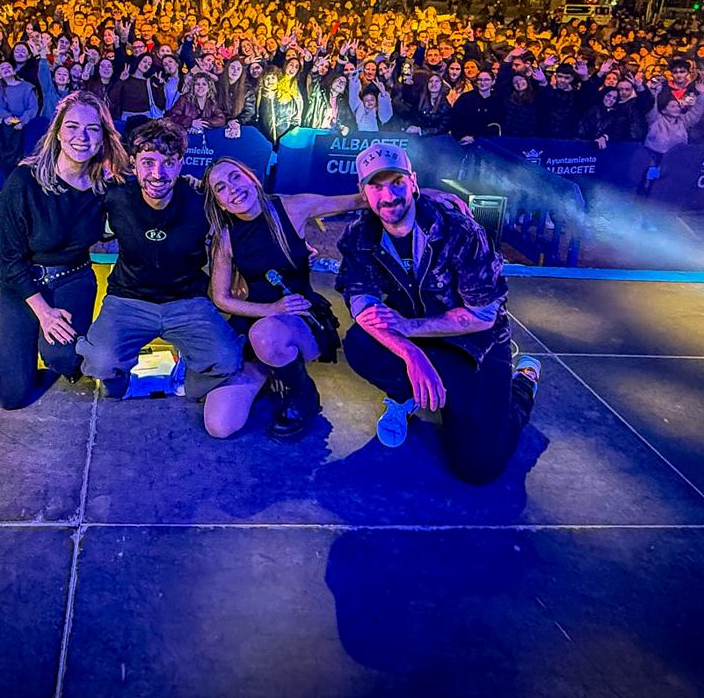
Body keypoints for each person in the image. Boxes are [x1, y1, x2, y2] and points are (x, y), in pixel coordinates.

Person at [335, 142, 541, 483]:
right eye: (376, 186)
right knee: (360, 344)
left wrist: (408, 328)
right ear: (363, 192)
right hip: (420, 338)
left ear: (413, 182)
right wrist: (412, 353)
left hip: (477, 344)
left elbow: (483, 315)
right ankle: (408, 395)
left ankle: (522, 385)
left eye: (397, 182)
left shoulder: (460, 230)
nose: (389, 196)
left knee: (478, 468)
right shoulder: (359, 235)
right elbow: (363, 306)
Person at [75, 120, 243, 411]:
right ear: (134, 163)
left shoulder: (202, 200)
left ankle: (188, 367)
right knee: (101, 365)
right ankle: (121, 381)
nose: (158, 174)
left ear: (180, 165)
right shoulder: (115, 196)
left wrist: (292, 240)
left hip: (187, 300)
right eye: (148, 162)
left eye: (168, 162)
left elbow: (248, 212)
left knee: (226, 360)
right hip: (128, 299)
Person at [202, 158, 362, 441]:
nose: (233, 189)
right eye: (221, 188)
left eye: (236, 177)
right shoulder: (226, 237)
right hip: (254, 324)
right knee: (220, 425)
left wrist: (428, 195)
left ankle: (302, 394)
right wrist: (270, 308)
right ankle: (271, 371)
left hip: (297, 321)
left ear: (252, 178)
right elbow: (221, 297)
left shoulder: (292, 207)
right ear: (221, 203)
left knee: (266, 335)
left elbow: (360, 200)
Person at [0, 91, 128, 409]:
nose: (82, 136)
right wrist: (44, 313)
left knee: (62, 359)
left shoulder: (106, 186)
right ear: (58, 132)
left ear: (102, 136)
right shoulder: (24, 180)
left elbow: (152, 188)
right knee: (10, 396)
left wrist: (191, 183)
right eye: (73, 127)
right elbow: (10, 259)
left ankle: (75, 355)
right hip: (17, 283)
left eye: (92, 129)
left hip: (71, 278)